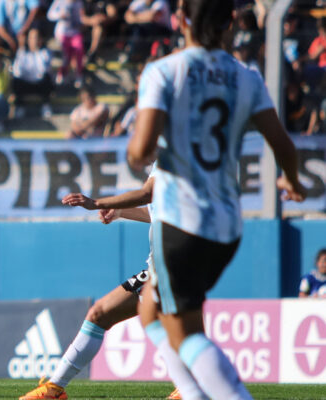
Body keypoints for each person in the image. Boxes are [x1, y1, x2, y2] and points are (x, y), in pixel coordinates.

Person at [126, 1, 305, 399]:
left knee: (183, 330)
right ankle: (193, 395)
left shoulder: (164, 70)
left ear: (180, 20)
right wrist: (292, 182)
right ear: (228, 24)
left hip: (180, 220)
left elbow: (139, 153)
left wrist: (144, 146)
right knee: (150, 311)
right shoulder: (246, 77)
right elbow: (284, 146)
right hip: (227, 223)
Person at [21, 166, 196, 400]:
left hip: (172, 264)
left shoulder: (172, 152)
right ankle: (54, 390)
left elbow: (147, 193)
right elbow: (154, 211)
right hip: (171, 264)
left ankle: (54, 390)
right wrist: (122, 212)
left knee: (105, 315)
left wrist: (97, 203)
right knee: (103, 315)